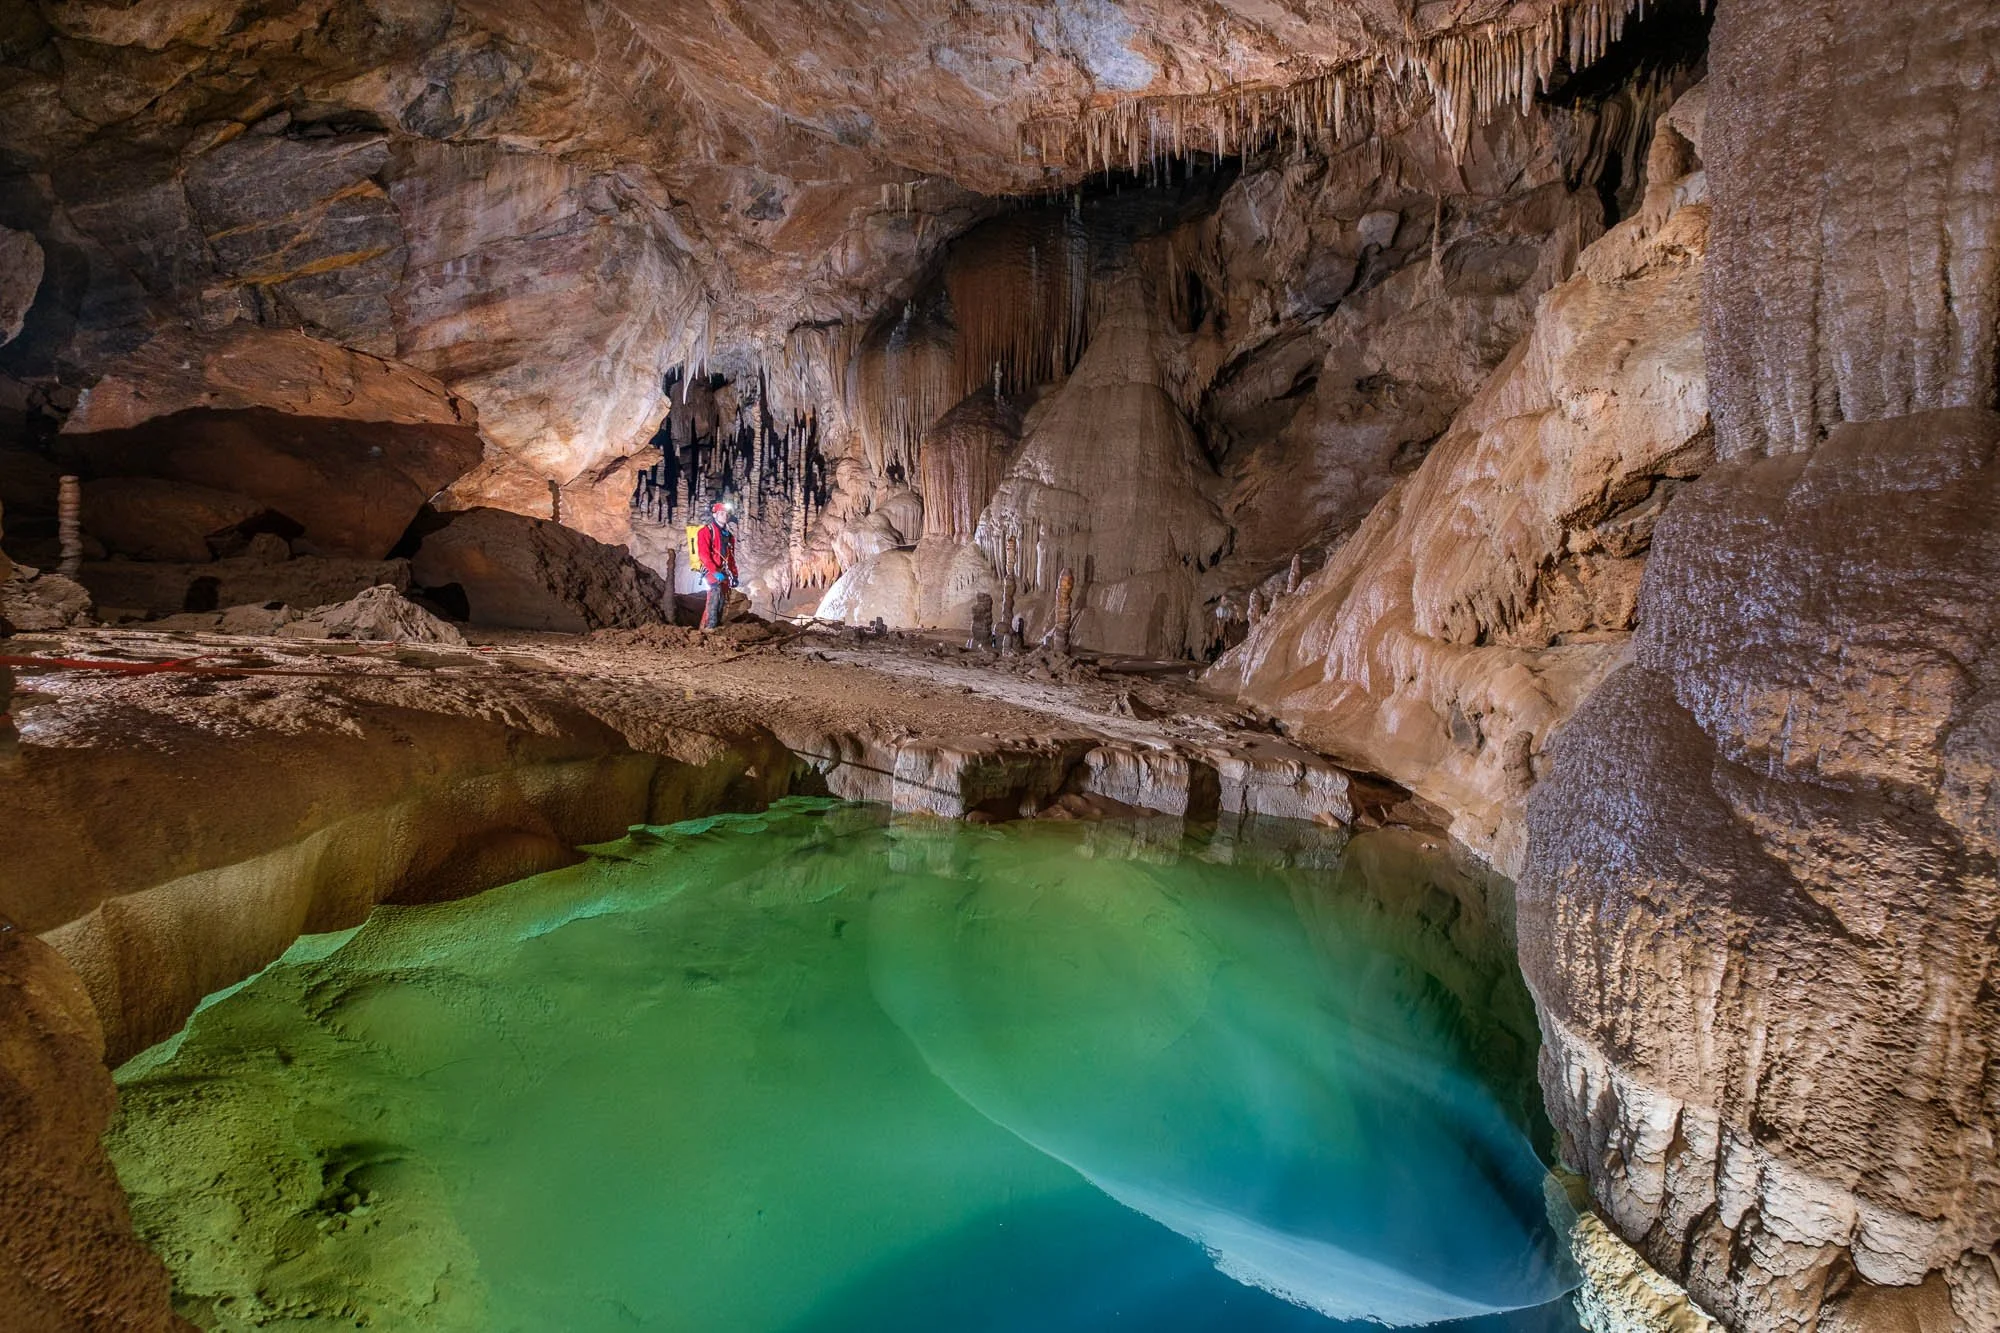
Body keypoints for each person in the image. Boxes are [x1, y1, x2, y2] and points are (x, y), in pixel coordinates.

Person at [696, 500, 739, 629]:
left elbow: (731, 558)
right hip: (711, 570)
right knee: (715, 594)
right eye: (721, 513)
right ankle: (709, 627)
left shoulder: (729, 536)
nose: (724, 516)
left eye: (726, 514)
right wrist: (714, 571)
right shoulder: (706, 531)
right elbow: (704, 555)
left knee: (722, 600)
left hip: (724, 572)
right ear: (714, 515)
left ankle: (716, 626)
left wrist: (734, 575)